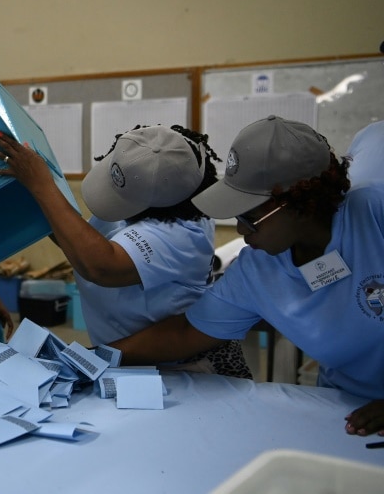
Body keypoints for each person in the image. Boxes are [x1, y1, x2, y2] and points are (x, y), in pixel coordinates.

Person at [92, 115, 384, 437]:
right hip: (348, 408)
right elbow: (186, 332)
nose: (243, 233)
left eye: (250, 218)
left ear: (301, 204)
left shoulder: (374, 214)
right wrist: (93, 357)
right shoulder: (257, 268)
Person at [0, 125, 251, 378]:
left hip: (184, 367)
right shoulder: (148, 199)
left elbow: (99, 266)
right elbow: (79, 242)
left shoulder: (184, 233)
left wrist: (42, 185)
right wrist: (29, 193)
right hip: (129, 357)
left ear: (154, 205)